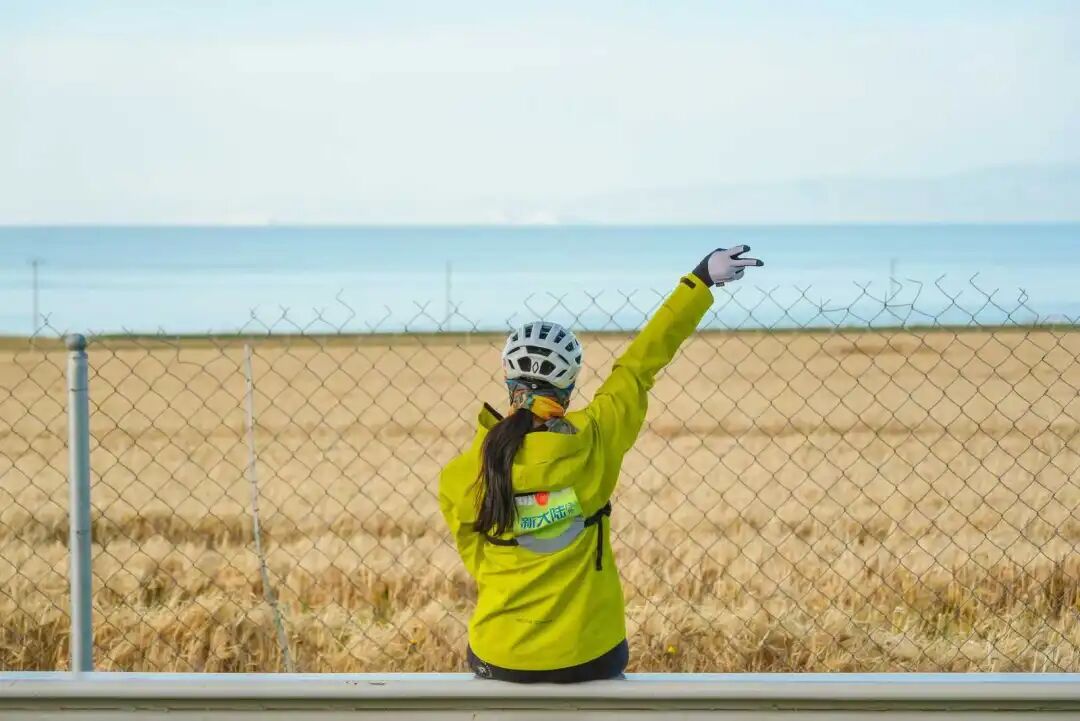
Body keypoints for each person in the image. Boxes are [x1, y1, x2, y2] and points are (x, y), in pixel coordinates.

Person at [438, 246, 765, 683]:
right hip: (589, 652)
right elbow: (638, 366)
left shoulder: (462, 474)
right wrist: (700, 281)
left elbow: (478, 561)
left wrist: (526, 532)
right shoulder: (597, 439)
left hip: (500, 654)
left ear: (508, 379)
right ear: (569, 384)